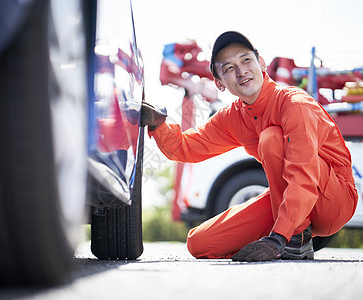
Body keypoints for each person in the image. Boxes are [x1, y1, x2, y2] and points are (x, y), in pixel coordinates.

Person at [140, 31, 358, 262]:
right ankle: (286, 236)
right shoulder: (234, 117)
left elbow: (303, 175)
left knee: (271, 138)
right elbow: (187, 148)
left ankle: (296, 239)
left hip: (333, 200)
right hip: (290, 197)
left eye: (245, 60)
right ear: (220, 84)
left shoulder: (294, 105)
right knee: (200, 243)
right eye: (228, 68)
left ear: (260, 63)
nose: (241, 70)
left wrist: (279, 236)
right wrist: (158, 125)